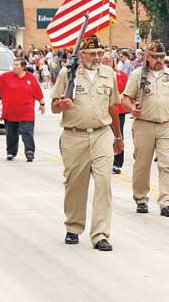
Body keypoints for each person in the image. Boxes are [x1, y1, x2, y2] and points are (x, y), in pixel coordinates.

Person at [51, 35, 124, 251]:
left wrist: (118, 137)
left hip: (102, 134)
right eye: (92, 54)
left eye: (100, 53)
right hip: (75, 135)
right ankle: (73, 226)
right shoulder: (68, 73)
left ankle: (100, 233)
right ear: (81, 54)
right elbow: (54, 106)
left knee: (103, 183)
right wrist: (61, 105)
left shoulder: (108, 74)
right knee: (75, 183)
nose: (97, 57)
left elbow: (113, 107)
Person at [122, 41, 169, 218]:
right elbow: (126, 99)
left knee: (167, 164)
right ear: (147, 58)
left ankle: (166, 202)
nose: (159, 60)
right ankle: (141, 198)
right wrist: (132, 109)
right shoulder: (138, 75)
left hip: (166, 125)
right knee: (142, 164)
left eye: (162, 57)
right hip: (144, 124)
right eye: (155, 57)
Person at [0, 57, 45, 162]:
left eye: (17, 65)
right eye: (14, 64)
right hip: (11, 111)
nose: (14, 67)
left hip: (26, 111)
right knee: (11, 134)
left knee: (27, 132)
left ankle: (29, 151)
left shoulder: (30, 78)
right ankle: (11, 152)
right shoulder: (7, 76)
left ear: (23, 67)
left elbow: (38, 92)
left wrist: (42, 103)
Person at [101, 51, 128, 174]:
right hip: (103, 108)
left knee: (118, 134)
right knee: (105, 135)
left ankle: (117, 162)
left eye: (109, 59)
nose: (107, 61)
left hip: (118, 108)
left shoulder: (120, 74)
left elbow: (128, 89)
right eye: (105, 59)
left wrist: (119, 95)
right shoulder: (99, 74)